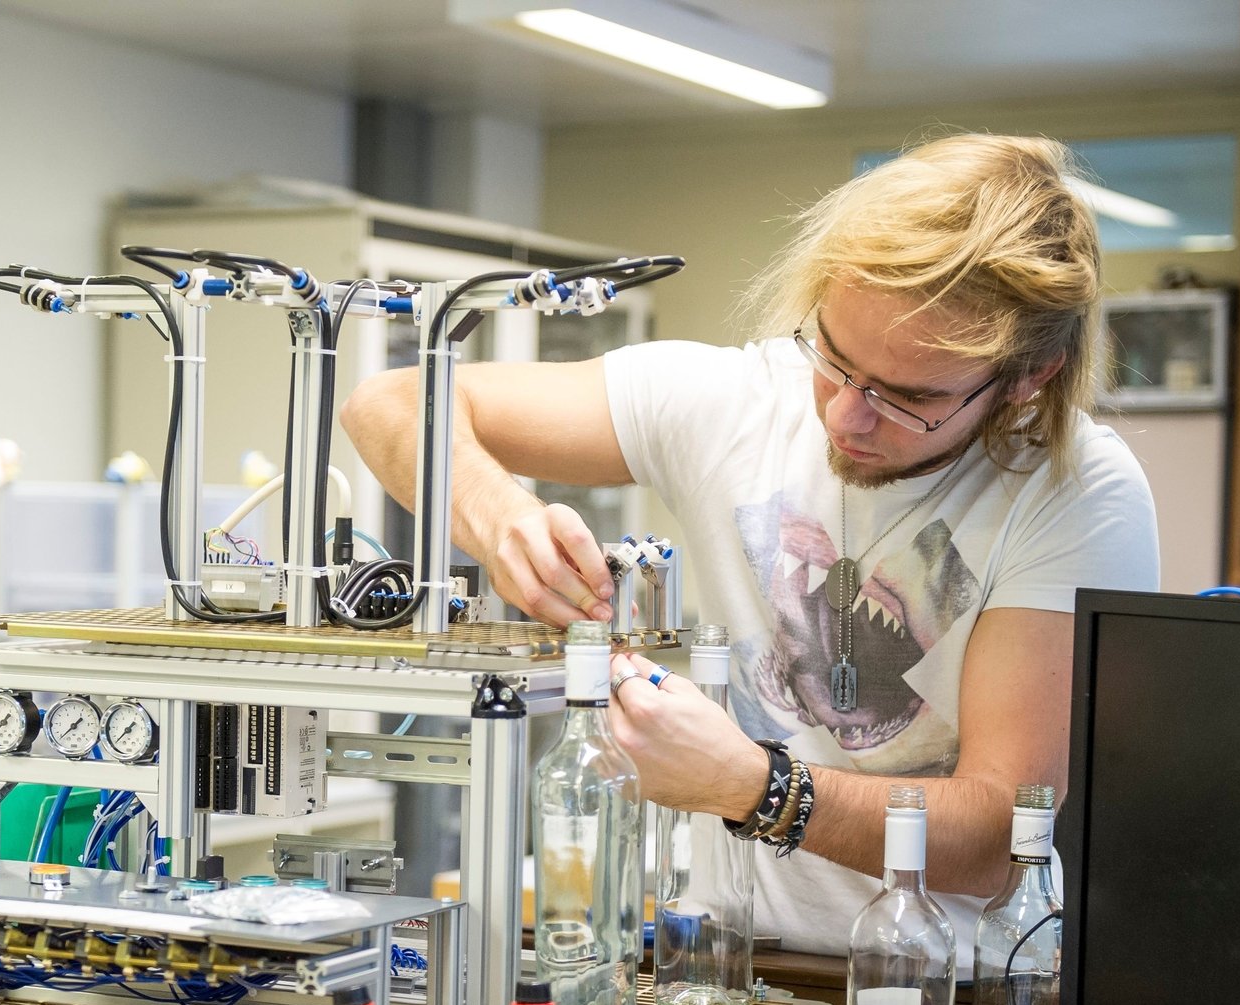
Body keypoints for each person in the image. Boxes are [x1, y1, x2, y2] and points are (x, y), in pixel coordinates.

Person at [339, 134, 1159, 959]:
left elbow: (993, 835)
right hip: (726, 968)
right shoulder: (736, 402)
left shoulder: (1077, 490)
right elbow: (391, 403)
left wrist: (755, 787)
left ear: (1030, 377)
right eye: (834, 358)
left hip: (955, 994)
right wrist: (500, 517)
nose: (845, 416)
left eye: (910, 398)